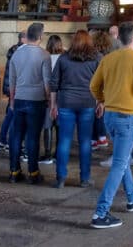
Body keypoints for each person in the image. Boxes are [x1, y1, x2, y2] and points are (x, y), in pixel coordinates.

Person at [88, 22, 133, 229]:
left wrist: (102, 99)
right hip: (127, 116)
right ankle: (101, 212)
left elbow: (93, 86)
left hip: (110, 115)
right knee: (119, 163)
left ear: (119, 38)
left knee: (121, 158)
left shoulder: (108, 58)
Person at [49, 30, 99, 188]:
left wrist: (53, 105)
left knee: (64, 140)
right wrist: (101, 102)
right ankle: (84, 178)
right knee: (85, 141)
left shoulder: (63, 58)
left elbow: (54, 84)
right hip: (87, 103)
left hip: (66, 103)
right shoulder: (96, 58)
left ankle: (61, 178)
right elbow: (101, 83)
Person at [7, 22, 52, 184]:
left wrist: (12, 99)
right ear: (40, 36)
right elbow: (47, 82)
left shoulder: (16, 54)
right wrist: (49, 100)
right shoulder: (44, 55)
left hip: (19, 98)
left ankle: (14, 171)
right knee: (33, 137)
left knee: (16, 136)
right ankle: (33, 172)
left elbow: (11, 80)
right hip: (37, 99)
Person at [0, 31, 26, 152]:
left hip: (12, 87)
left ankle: (2, 140)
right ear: (23, 38)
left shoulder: (14, 50)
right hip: (17, 88)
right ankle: (10, 142)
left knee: (10, 114)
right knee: (14, 116)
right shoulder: (20, 51)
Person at [40, 35, 64, 164]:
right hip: (61, 94)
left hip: (48, 94)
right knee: (59, 125)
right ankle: (58, 154)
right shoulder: (65, 58)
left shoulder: (45, 57)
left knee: (48, 124)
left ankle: (48, 153)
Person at [91, 31, 113, 150]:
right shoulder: (108, 56)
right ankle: (101, 137)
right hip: (107, 87)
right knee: (100, 113)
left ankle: (96, 138)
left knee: (96, 113)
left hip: (97, 87)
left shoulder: (95, 56)